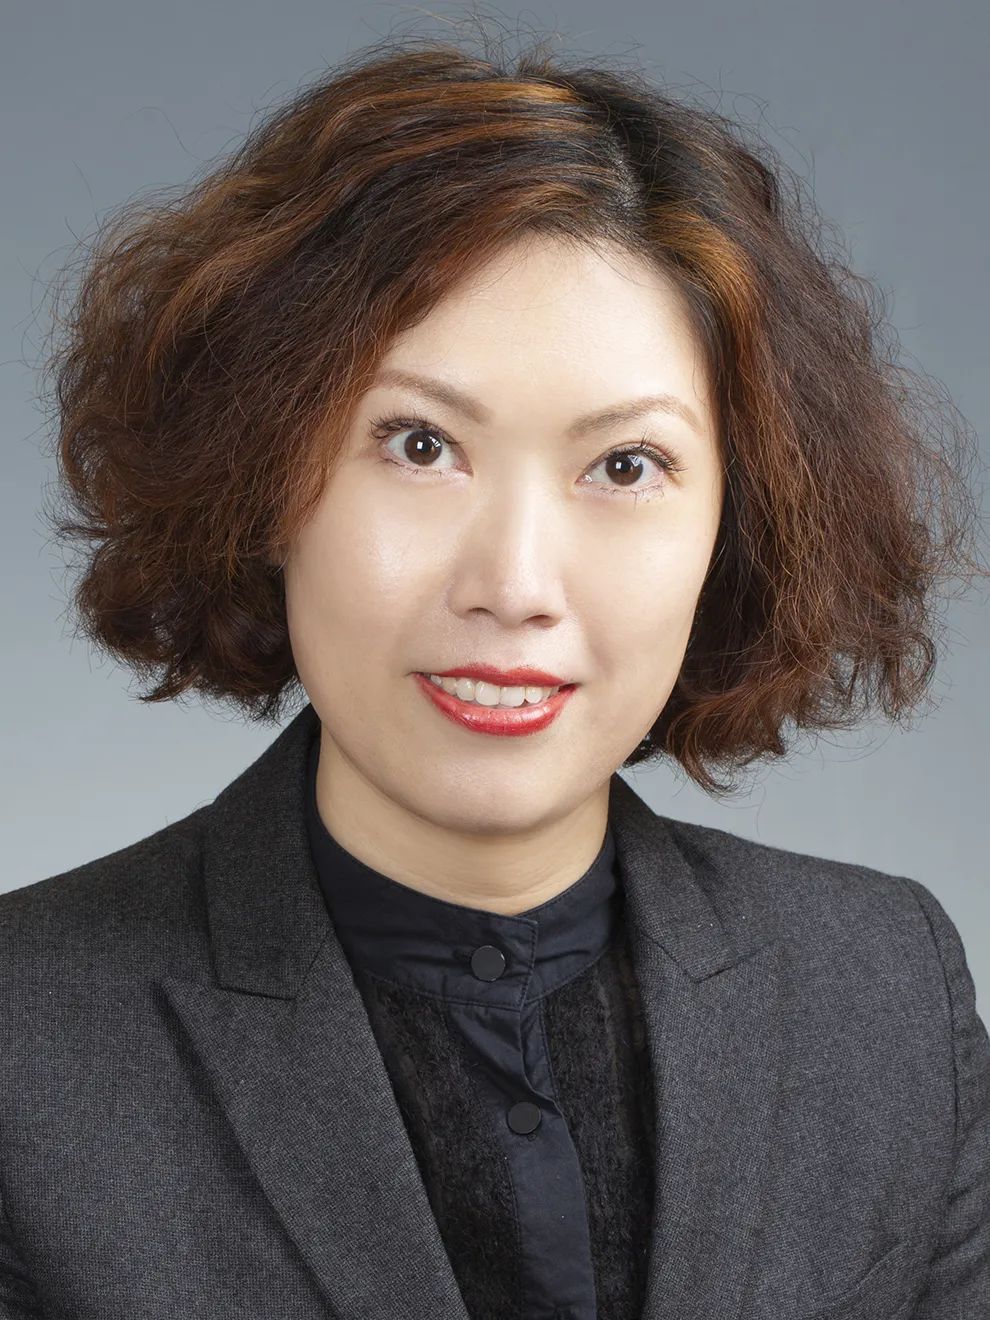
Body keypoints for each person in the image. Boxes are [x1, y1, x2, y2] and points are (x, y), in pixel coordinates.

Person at [3, 21, 988, 1320]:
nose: (514, 584)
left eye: (624, 466)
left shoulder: (884, 988)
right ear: (263, 479)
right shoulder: (23, 1037)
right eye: (419, 445)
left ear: (736, 530)